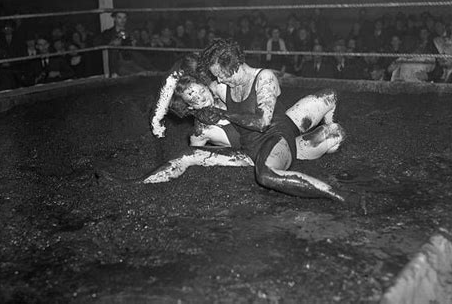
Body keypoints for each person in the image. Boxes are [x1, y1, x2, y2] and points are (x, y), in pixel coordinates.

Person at [148, 43, 347, 202]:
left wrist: (222, 114)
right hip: (257, 147)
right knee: (187, 155)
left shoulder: (263, 78)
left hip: (279, 131)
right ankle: (143, 182)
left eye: (219, 74)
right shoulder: (220, 90)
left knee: (330, 100)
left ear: (232, 67)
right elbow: (182, 67)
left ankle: (338, 189)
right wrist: (158, 115)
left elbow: (262, 122)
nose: (216, 80)